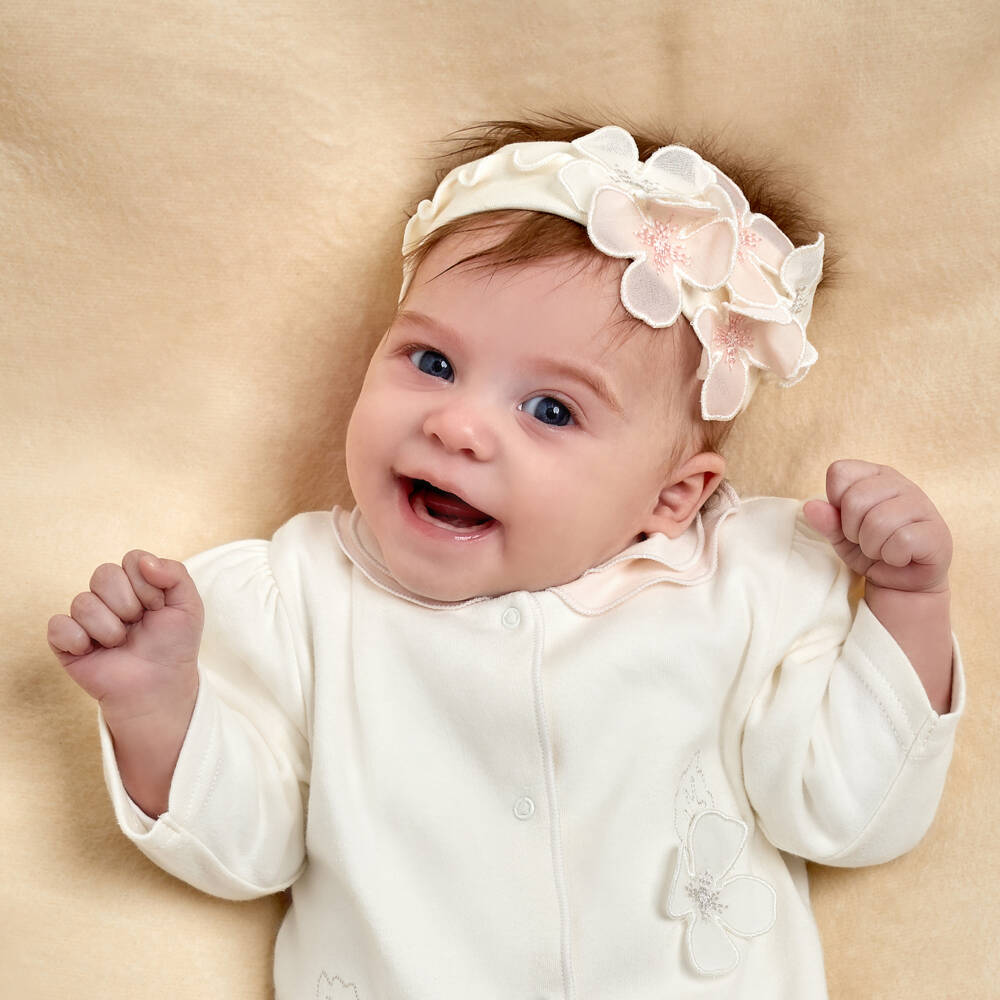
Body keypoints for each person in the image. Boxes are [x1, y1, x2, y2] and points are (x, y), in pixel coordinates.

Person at [46, 117, 964, 999]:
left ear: (671, 497)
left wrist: (907, 603)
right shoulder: (302, 599)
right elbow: (249, 851)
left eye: (551, 410)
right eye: (431, 362)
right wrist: (156, 707)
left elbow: (849, 815)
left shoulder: (743, 586)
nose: (458, 425)